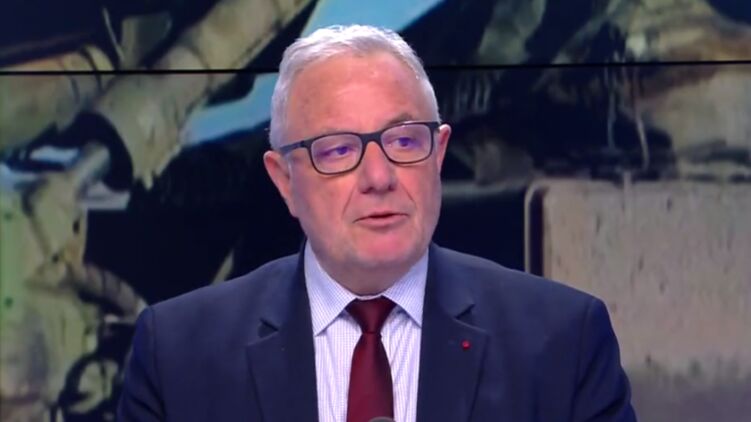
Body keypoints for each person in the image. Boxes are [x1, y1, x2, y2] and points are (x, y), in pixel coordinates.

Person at [117, 24, 637, 422]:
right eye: (338, 150)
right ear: (284, 181)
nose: (379, 177)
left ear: (438, 155)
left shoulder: (563, 345)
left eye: (405, 141)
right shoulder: (178, 356)